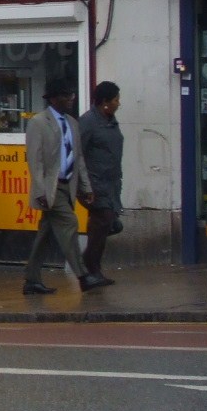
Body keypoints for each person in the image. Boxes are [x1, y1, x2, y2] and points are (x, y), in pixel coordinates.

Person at [22, 79, 110, 294]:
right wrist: (41, 191)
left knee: (45, 234)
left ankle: (31, 280)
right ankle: (83, 275)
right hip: (51, 188)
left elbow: (78, 158)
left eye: (71, 94)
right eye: (65, 95)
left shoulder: (72, 123)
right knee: (70, 223)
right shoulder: (38, 123)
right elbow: (35, 161)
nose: (71, 98)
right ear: (53, 99)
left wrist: (86, 187)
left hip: (67, 186)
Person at [79, 81, 125, 284]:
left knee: (104, 226)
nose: (118, 103)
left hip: (111, 183)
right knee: (103, 220)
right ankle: (88, 266)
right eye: (116, 99)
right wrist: (85, 185)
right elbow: (77, 152)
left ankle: (93, 268)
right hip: (94, 184)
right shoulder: (88, 122)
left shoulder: (111, 120)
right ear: (105, 102)